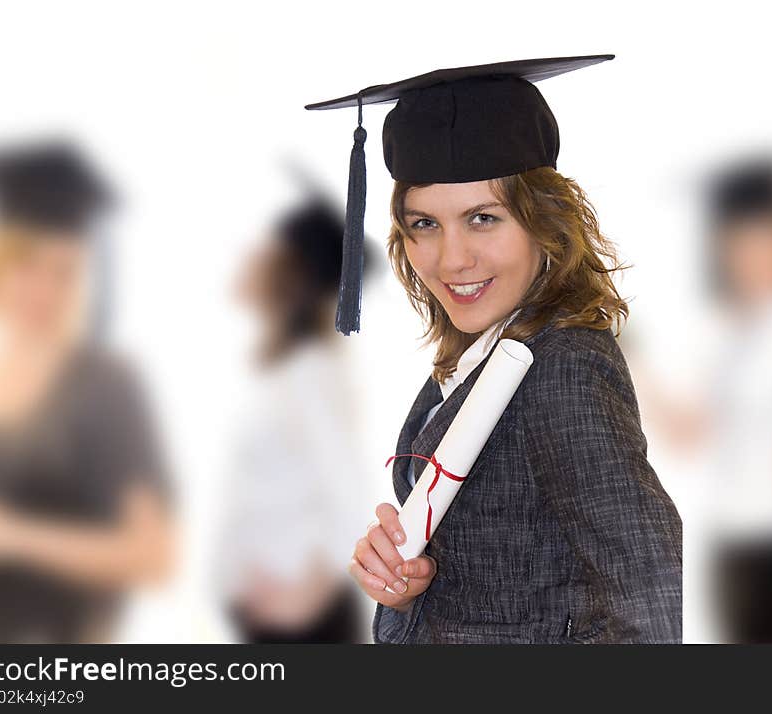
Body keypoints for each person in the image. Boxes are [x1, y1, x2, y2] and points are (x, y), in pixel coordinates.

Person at [305, 56, 683, 643]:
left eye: (482, 218)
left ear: (544, 221)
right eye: (424, 224)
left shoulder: (564, 366)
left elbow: (649, 594)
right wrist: (407, 585)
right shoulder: (482, 356)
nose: (452, 259)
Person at [0, 140, 174, 643]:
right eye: (27, 266)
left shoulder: (104, 387)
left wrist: (9, 536)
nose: (42, 291)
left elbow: (153, 555)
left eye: (62, 272)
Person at [633, 158, 772, 643]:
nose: (753, 260)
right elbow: (691, 436)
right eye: (740, 248)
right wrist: (636, 360)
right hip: (735, 546)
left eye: (767, 246)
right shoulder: (727, 339)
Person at [217, 195, 377, 643]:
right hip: (270, 613)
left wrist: (306, 595)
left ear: (290, 274)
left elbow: (347, 493)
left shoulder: (310, 374)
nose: (247, 257)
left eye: (261, 249)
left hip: (303, 621)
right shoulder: (283, 372)